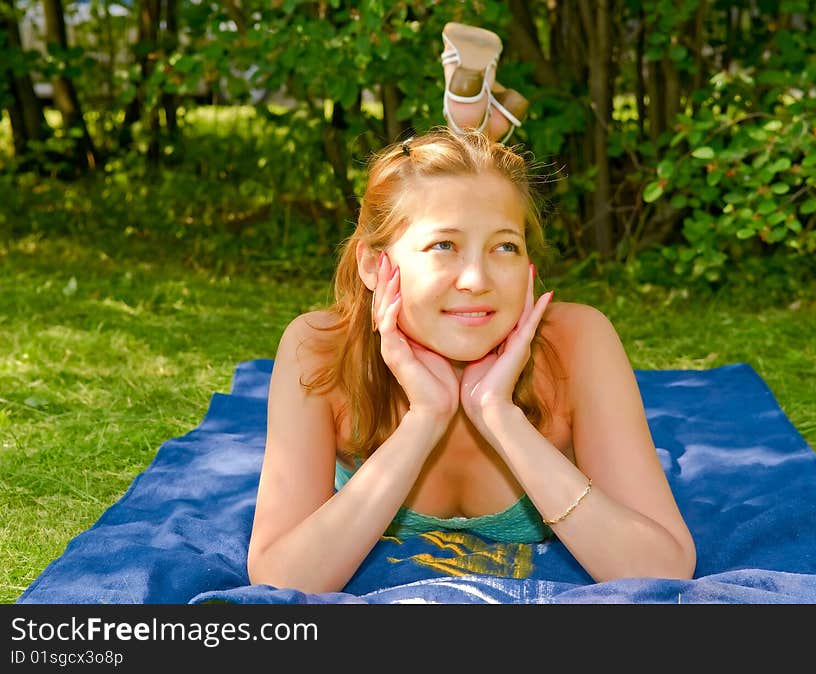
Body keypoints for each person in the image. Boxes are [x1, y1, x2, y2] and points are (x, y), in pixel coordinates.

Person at [247, 23, 696, 594]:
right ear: (372, 265)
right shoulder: (320, 348)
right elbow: (283, 580)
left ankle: (477, 120)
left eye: (505, 246)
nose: (479, 280)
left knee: (473, 185)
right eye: (443, 246)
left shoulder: (578, 342)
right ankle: (479, 118)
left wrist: (502, 417)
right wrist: (424, 418)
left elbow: (664, 569)